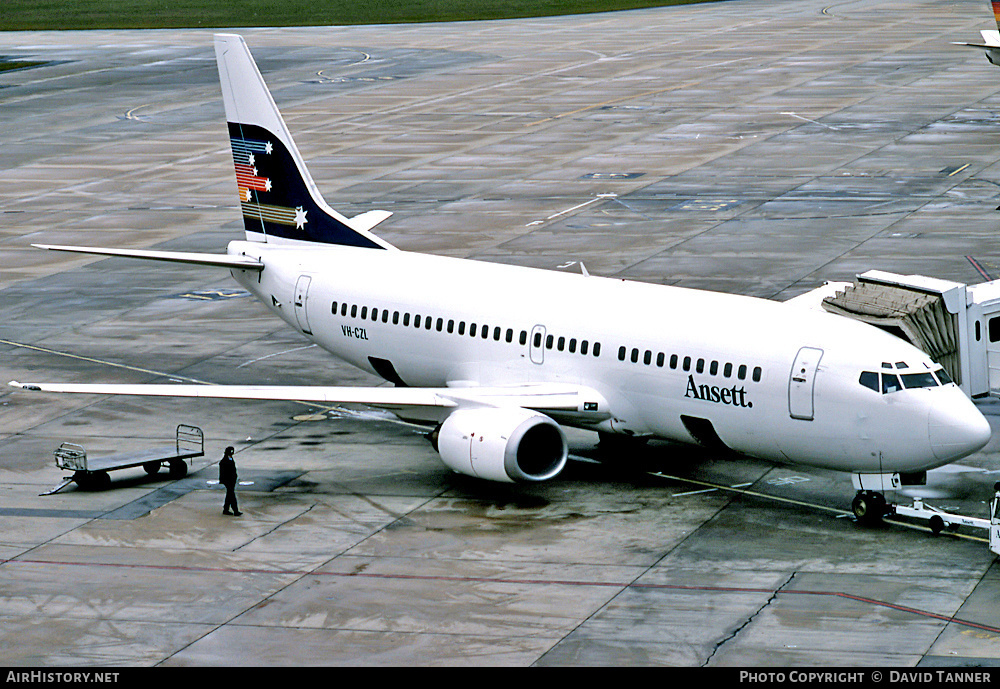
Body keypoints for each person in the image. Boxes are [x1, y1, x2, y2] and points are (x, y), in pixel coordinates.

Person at [219, 446, 242, 516]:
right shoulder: (224, 461)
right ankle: (235, 510)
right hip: (228, 480)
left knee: (229, 495)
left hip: (231, 480)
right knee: (232, 495)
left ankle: (226, 509)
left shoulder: (229, 458)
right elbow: (224, 472)